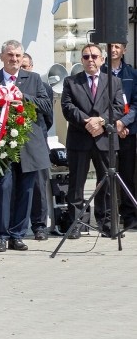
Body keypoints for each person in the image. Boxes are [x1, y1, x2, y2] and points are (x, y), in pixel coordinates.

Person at [0, 40, 52, 252]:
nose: (15, 59)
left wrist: (23, 97)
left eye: (18, 56)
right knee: (4, 188)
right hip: (2, 146)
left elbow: (46, 105)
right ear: (2, 57)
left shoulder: (34, 79)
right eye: (10, 55)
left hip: (29, 144)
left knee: (26, 190)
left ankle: (17, 235)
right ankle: (1, 235)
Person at [61, 44, 124, 238]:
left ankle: (107, 224)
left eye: (94, 56)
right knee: (76, 185)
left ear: (102, 59)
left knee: (106, 184)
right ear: (82, 60)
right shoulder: (71, 82)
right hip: (80, 138)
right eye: (86, 56)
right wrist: (87, 121)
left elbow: (119, 107)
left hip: (104, 139)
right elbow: (67, 106)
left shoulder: (113, 81)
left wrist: (101, 121)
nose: (91, 60)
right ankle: (76, 225)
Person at [100, 43, 137, 230]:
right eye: (110, 46)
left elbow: (135, 104)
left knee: (127, 175)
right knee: (106, 175)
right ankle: (108, 217)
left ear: (124, 49)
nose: (113, 50)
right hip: (106, 130)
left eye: (117, 46)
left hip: (127, 132)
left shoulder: (132, 74)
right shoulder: (100, 72)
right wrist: (115, 124)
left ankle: (129, 215)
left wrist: (124, 122)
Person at [21, 53, 55, 240]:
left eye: (26, 66)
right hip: (16, 142)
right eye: (21, 67)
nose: (23, 70)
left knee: (39, 187)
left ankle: (40, 226)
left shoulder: (43, 87)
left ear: (32, 67)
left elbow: (48, 118)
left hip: (38, 141)